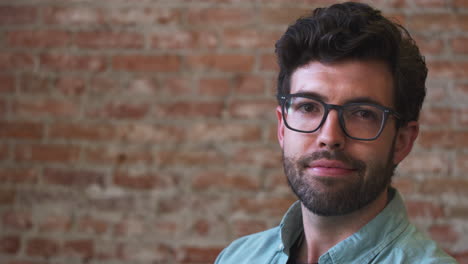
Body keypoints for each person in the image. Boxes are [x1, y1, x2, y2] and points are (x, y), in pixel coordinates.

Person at [215, 2, 458, 264]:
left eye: (363, 113)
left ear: (402, 141)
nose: (330, 137)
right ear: (282, 127)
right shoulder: (238, 257)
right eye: (308, 107)